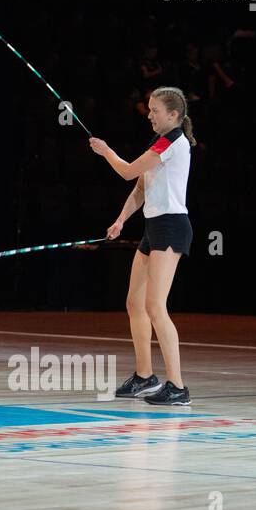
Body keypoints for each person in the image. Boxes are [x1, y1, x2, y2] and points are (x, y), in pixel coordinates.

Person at [89, 85, 195, 405]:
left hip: (172, 227)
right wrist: (121, 220)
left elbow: (126, 171)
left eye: (155, 110)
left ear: (173, 115)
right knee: (135, 303)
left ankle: (177, 386)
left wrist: (106, 151)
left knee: (155, 306)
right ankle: (145, 377)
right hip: (153, 227)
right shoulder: (158, 142)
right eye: (149, 109)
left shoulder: (173, 140)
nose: (149, 115)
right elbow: (140, 186)